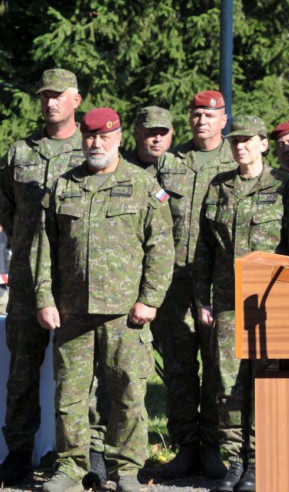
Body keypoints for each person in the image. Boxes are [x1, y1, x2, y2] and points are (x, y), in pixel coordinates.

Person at [35, 107, 175, 492]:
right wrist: (44, 298)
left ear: (117, 139)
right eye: (90, 137)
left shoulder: (142, 183)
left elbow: (161, 246)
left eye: (104, 137)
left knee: (129, 392)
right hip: (72, 311)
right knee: (70, 395)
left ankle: (126, 468)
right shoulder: (63, 186)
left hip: (125, 312)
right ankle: (71, 467)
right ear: (83, 138)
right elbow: (43, 248)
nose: (96, 144)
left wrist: (150, 299)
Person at [194, 116, 289, 492]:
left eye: (247, 140)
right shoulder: (218, 187)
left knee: (265, 379)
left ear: (262, 144)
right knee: (228, 383)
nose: (239, 146)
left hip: (271, 303)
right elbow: (204, 251)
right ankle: (235, 459)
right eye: (234, 141)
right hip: (227, 301)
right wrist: (201, 299)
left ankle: (259, 460)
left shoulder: (284, 186)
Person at [0, 68, 85, 486]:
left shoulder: (91, 149)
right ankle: (18, 452)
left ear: (76, 100)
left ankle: (81, 454)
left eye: (58, 95)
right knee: (22, 367)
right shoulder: (20, 152)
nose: (50, 102)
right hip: (26, 280)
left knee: (80, 369)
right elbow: (6, 207)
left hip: (75, 279)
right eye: (44, 96)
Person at [156, 90, 235, 480]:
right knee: (179, 367)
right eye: (195, 114)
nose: (201, 120)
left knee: (221, 369)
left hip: (219, 284)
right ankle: (186, 448)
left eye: (209, 114)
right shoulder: (169, 162)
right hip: (172, 280)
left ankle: (216, 447)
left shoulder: (233, 161)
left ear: (223, 119)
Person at [124, 105, 174, 173]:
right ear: (137, 133)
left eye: (163, 134)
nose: (158, 139)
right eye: (152, 133)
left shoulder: (181, 166)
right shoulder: (121, 168)